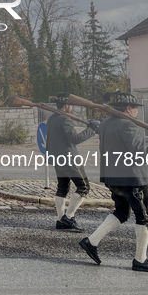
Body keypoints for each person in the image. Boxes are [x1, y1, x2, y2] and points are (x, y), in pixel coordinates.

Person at [79, 91, 148, 273]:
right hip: (133, 180)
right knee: (144, 217)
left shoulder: (106, 124)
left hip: (112, 177)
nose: (137, 112)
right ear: (128, 108)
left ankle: (91, 241)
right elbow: (140, 155)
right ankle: (140, 260)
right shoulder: (129, 126)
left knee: (122, 213)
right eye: (135, 108)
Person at [46, 92, 99, 232]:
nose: (71, 108)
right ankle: (68, 218)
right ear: (66, 105)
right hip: (69, 159)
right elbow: (75, 139)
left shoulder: (52, 118)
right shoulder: (65, 119)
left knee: (63, 187)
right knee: (84, 187)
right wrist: (91, 130)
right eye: (71, 106)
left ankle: (60, 220)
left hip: (57, 159)